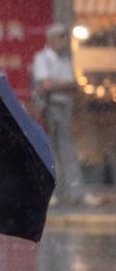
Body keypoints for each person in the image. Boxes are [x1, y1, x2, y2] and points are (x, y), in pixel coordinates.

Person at [32, 23, 101, 206]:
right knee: (50, 152)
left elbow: (74, 86)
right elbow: (46, 85)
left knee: (68, 150)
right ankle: (53, 192)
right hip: (49, 107)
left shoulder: (65, 60)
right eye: (61, 37)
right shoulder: (43, 58)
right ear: (52, 39)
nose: (65, 41)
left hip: (65, 107)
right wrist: (64, 85)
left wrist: (60, 85)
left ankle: (75, 192)